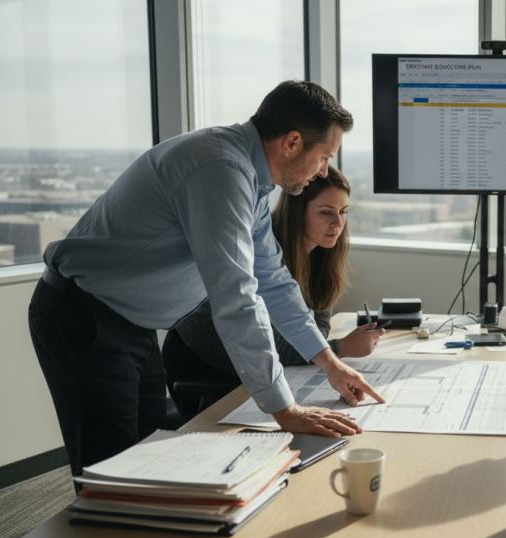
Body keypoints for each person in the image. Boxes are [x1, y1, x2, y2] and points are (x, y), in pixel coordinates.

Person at [28, 80, 384, 480]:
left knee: (141, 467)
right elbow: (237, 298)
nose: (323, 170)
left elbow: (271, 278)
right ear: (292, 142)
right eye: (323, 157)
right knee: (108, 477)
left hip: (131, 325)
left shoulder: (249, 177)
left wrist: (330, 363)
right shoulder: (221, 169)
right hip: (84, 316)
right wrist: (285, 410)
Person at [163, 167, 384, 420]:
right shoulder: (265, 251)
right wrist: (340, 348)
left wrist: (327, 349)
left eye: (343, 212)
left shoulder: (322, 254)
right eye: (326, 212)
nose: (338, 223)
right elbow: (269, 342)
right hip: (204, 365)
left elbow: (315, 328)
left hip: (253, 363)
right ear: (297, 213)